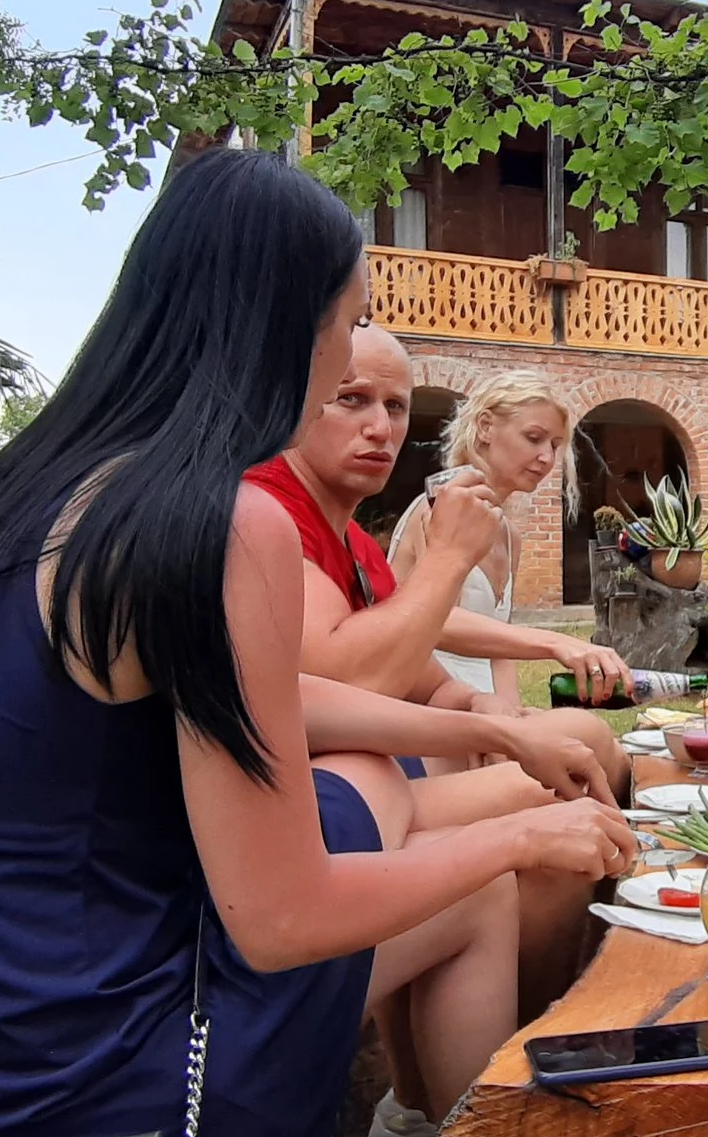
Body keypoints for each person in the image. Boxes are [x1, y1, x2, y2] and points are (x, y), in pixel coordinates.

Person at [0, 150, 636, 1137]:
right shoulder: (218, 524)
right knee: (477, 883)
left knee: (408, 826)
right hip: (119, 1106)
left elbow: (265, 703)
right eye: (350, 323)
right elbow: (280, 917)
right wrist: (521, 830)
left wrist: (478, 729)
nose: (355, 362)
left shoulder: (44, 491)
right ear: (288, 323)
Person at [259, 333, 628, 801]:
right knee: (577, 754)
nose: (380, 428)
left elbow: (430, 679)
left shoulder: (354, 541)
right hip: (342, 778)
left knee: (587, 749)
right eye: (350, 398)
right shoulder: (264, 514)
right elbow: (357, 680)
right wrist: (540, 650)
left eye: (396, 408)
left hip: (396, 743)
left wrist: (485, 705)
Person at [387, 370, 630, 726]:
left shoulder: (508, 535)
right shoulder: (438, 508)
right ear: (485, 427)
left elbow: (499, 655)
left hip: (485, 710)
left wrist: (515, 718)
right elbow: (434, 622)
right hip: (426, 703)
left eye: (554, 445)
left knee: (586, 735)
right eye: (534, 438)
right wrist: (553, 643)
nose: (547, 458)